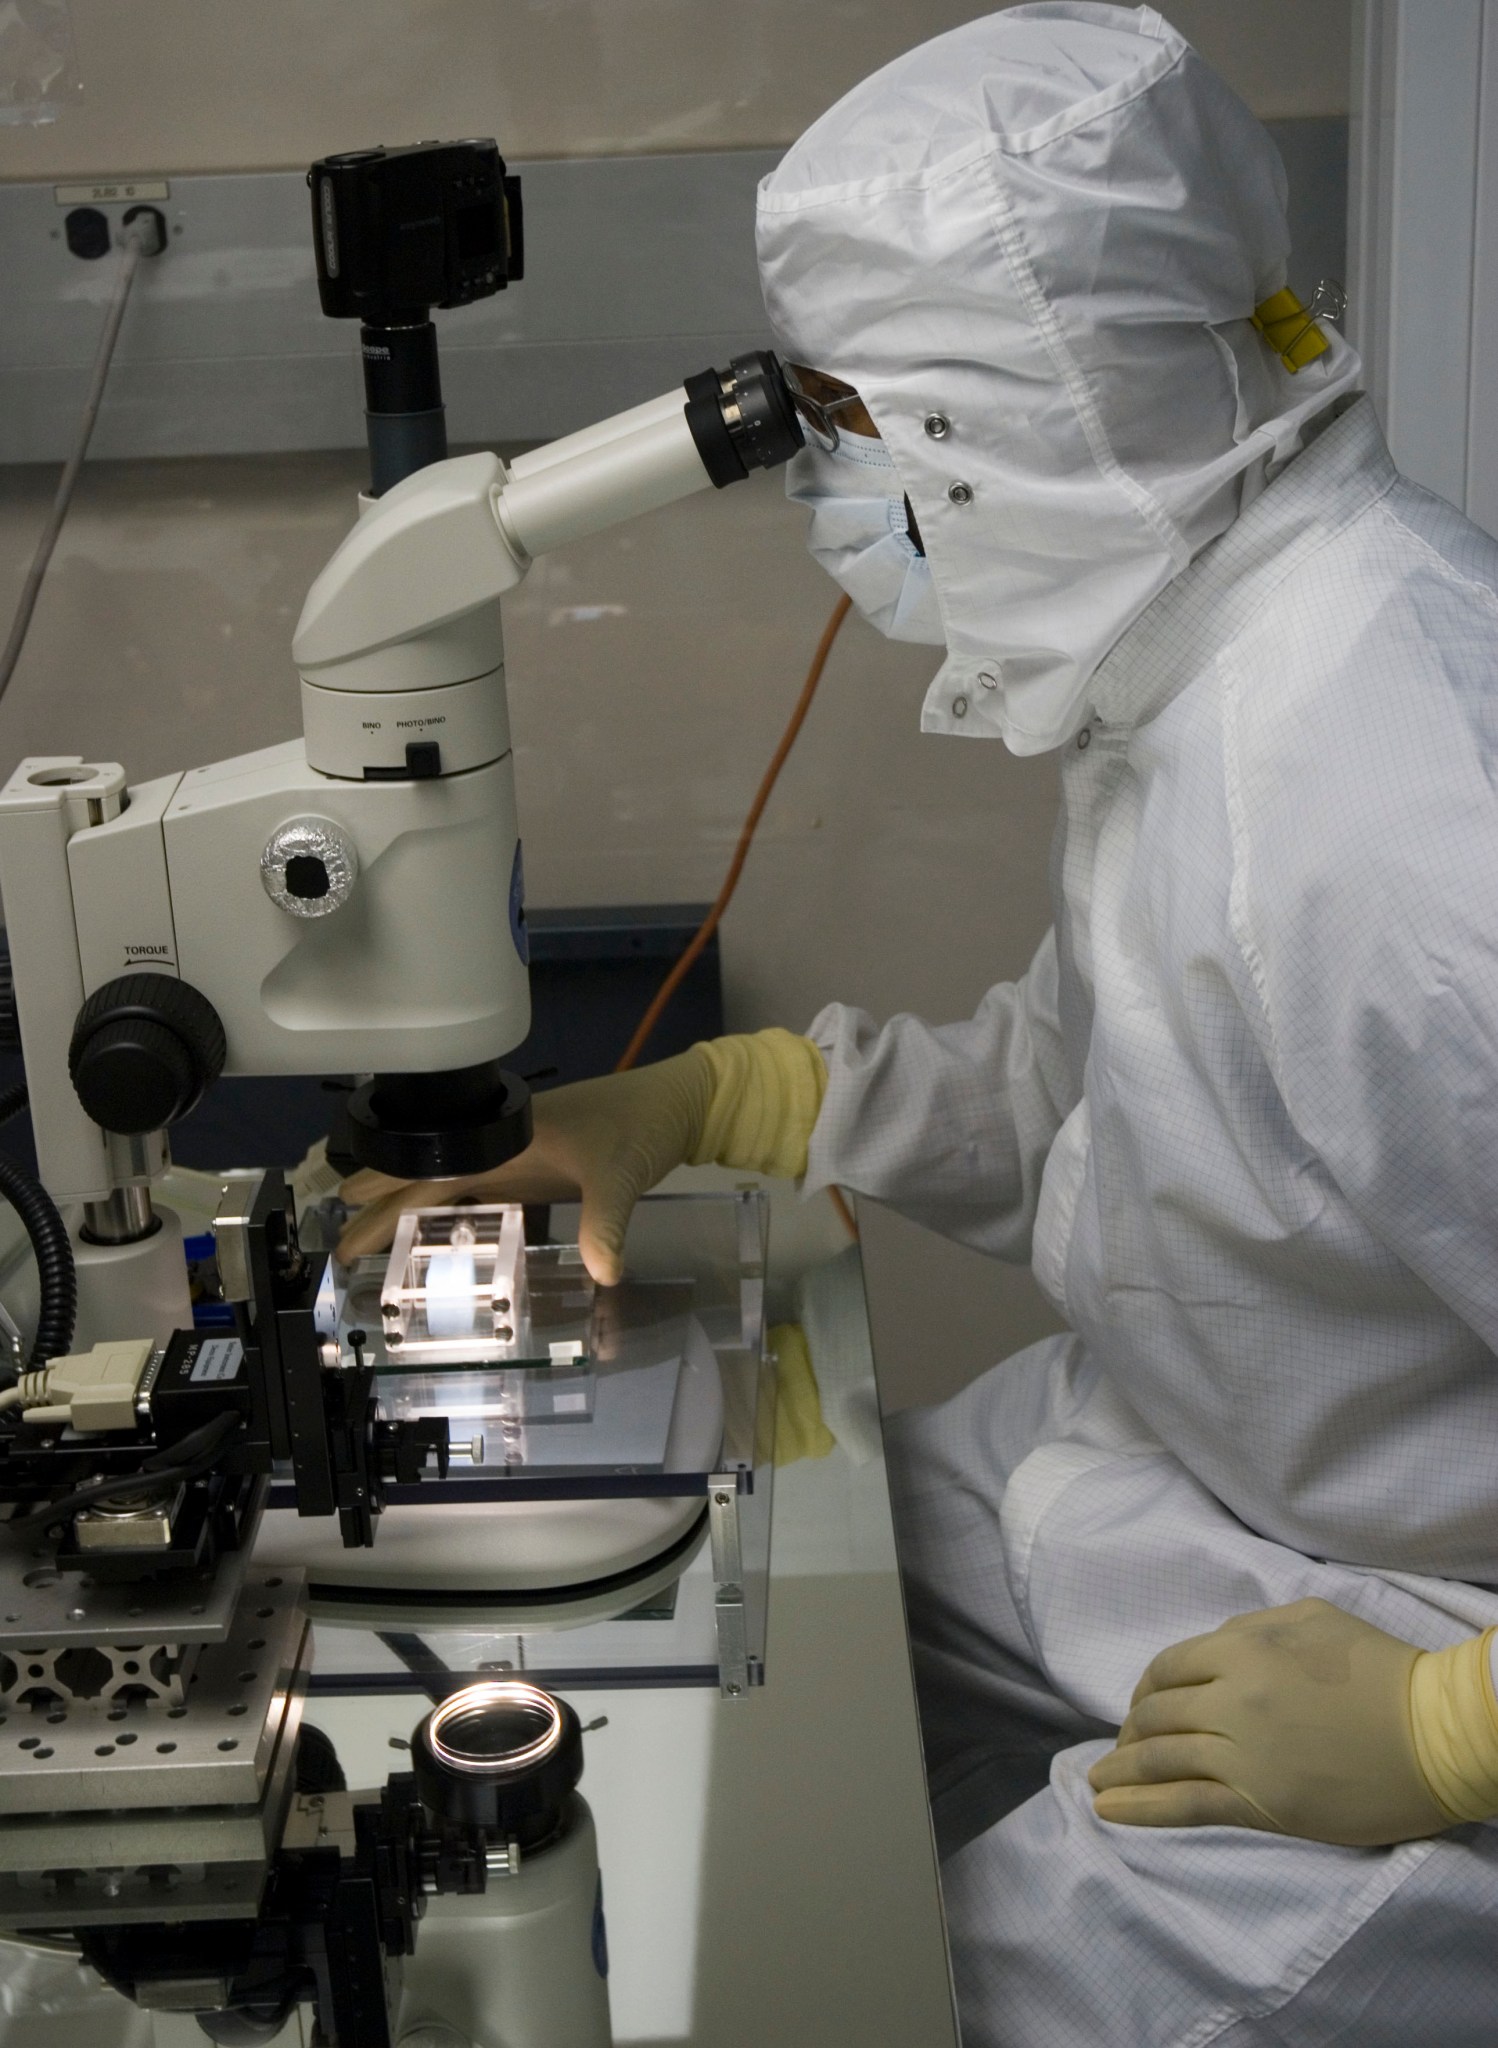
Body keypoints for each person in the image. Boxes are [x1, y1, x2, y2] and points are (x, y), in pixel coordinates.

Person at [339, 6, 1498, 2039]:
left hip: (1403, 1646)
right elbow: (1108, 1095)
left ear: (1010, 415)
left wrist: (1441, 1728)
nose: (822, 485)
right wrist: (719, 1098)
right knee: (750, 1590)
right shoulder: (1207, 663)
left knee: (846, 1976)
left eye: (838, 421)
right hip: (1187, 1478)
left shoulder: (1406, 822)